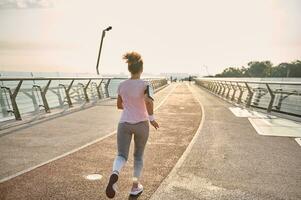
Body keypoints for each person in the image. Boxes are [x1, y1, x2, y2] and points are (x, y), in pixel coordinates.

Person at [105, 51, 159, 198]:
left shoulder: (122, 85)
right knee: (138, 156)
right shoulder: (146, 84)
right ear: (141, 69)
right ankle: (135, 186)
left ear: (129, 69)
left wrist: (130, 106)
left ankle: (115, 173)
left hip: (124, 124)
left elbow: (119, 105)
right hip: (141, 123)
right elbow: (148, 101)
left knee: (121, 155)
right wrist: (152, 118)